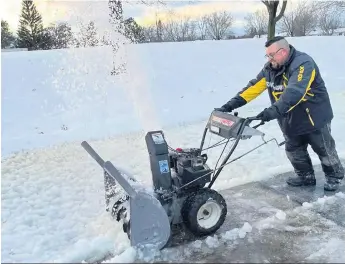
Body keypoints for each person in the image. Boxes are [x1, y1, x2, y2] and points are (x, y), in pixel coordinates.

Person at [215, 36, 344, 191]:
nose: (269, 59)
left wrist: (270, 112)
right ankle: (305, 176)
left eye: (271, 55)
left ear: (282, 52)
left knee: (324, 149)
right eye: (267, 55)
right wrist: (228, 106)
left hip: (313, 116)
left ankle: (334, 177)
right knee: (294, 150)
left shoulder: (303, 64)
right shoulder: (270, 69)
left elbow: (295, 93)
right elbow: (252, 88)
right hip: (288, 117)